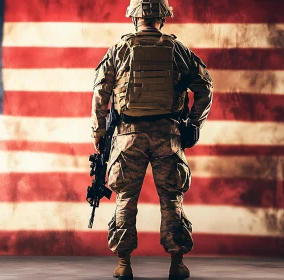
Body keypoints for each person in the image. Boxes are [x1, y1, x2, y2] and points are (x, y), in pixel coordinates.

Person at [90, 0, 213, 279]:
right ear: (163, 18)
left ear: (134, 18)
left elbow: (100, 94)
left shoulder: (120, 49)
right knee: (171, 199)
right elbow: (205, 86)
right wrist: (194, 123)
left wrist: (98, 133)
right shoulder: (177, 50)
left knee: (124, 198)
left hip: (128, 137)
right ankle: (177, 264)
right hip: (167, 136)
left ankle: (124, 264)